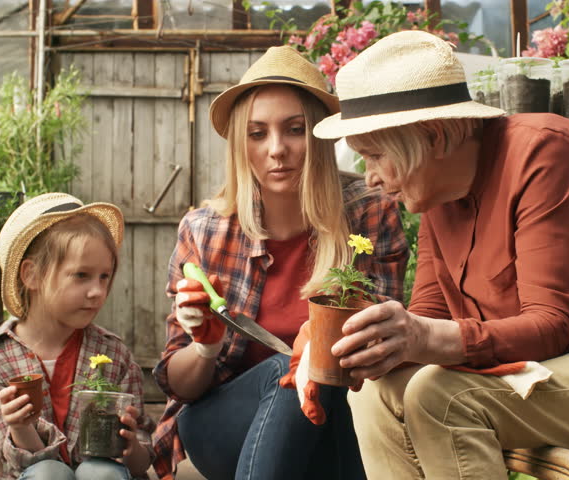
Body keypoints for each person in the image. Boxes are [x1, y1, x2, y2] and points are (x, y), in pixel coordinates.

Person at [307, 30, 569, 479]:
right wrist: (372, 348)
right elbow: (430, 315)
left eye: (374, 156)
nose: (369, 177)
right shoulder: (436, 195)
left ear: (432, 136)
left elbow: (551, 326)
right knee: (374, 393)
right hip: (555, 383)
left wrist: (421, 337)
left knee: (442, 396)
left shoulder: (543, 151)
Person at [150, 45, 408, 480]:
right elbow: (180, 385)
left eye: (294, 129)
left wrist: (325, 351)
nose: (276, 149)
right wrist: (205, 346)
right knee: (293, 371)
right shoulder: (206, 230)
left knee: (317, 375)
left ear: (319, 135)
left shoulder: (369, 214)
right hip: (218, 425)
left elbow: (382, 354)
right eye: (257, 134)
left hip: (333, 424)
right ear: (241, 144)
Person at [0, 193, 153, 480]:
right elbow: (25, 465)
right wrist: (20, 427)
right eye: (82, 275)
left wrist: (131, 447)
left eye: (104, 277)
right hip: (37, 474)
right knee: (47, 473)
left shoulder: (114, 355)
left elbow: (140, 462)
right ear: (31, 275)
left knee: (101, 472)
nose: (98, 291)